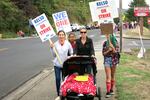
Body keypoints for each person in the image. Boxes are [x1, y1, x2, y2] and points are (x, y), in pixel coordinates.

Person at [50, 30, 73, 96]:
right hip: (57, 64)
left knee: (65, 79)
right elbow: (54, 55)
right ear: (58, 36)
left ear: (64, 36)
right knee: (58, 79)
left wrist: (70, 57)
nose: (61, 36)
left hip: (65, 64)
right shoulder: (55, 44)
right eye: (60, 35)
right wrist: (52, 48)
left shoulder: (67, 43)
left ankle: (65, 92)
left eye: (62, 34)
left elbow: (71, 52)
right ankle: (58, 93)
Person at [102, 33, 120, 98]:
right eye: (107, 35)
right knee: (108, 76)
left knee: (112, 75)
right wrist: (108, 51)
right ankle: (108, 91)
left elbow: (116, 53)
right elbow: (103, 53)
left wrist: (112, 47)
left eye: (109, 35)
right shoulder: (104, 43)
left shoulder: (116, 43)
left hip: (114, 60)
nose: (107, 36)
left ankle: (111, 89)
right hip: (107, 60)